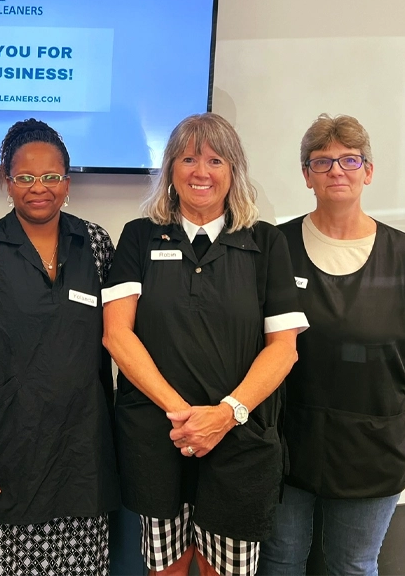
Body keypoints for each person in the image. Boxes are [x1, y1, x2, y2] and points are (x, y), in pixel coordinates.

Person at [102, 113, 309, 576]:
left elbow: (284, 348)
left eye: (215, 160)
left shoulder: (265, 242)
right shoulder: (138, 237)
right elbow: (117, 334)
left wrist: (225, 414)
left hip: (239, 439)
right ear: (170, 169)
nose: (201, 171)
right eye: (188, 158)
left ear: (233, 171)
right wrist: (184, 416)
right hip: (159, 437)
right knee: (167, 567)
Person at [0, 119, 119, 575]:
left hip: (79, 460)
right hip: (1, 459)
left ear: (68, 182)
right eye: (26, 177)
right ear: (6, 181)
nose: (41, 188)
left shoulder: (95, 245)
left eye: (52, 176)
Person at [258, 115, 404, 576]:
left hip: (374, 446)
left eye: (349, 159)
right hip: (285, 439)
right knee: (280, 561)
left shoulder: (401, 256)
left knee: (353, 566)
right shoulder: (273, 246)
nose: (336, 170)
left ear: (369, 170)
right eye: (322, 162)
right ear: (306, 176)